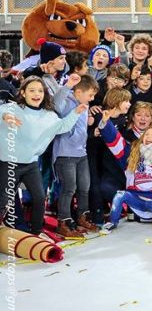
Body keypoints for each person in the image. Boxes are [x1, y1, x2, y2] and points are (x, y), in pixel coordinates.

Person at [0, 77, 87, 237]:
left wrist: (76, 112)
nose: (36, 94)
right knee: (4, 199)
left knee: (40, 197)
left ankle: (36, 232)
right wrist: (4, 117)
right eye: (31, 90)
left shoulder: (49, 115)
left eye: (40, 91)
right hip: (9, 163)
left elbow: (62, 127)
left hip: (31, 164)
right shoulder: (11, 108)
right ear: (23, 93)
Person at [52, 75, 100, 237]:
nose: (92, 99)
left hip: (81, 153)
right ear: (78, 92)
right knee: (68, 188)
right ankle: (63, 222)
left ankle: (82, 216)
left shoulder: (84, 105)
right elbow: (54, 104)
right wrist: (67, 86)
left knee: (84, 186)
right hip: (65, 154)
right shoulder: (67, 102)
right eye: (90, 95)